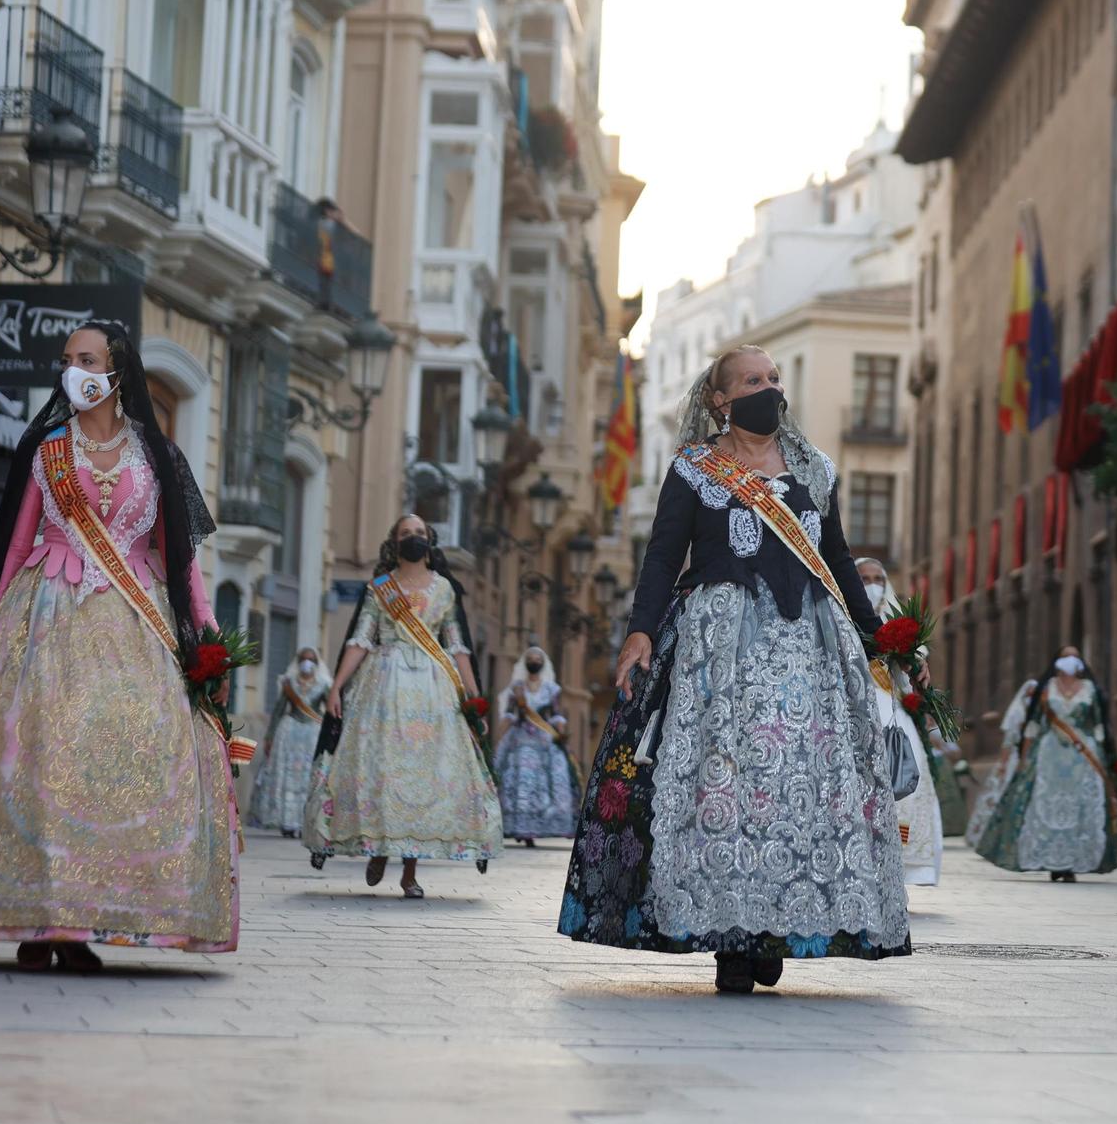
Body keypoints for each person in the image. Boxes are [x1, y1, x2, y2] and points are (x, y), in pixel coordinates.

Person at [558, 345, 909, 993]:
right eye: (753, 380)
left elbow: (835, 557)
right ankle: (732, 933)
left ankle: (773, 924)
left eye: (775, 378)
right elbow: (663, 556)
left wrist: (882, 635)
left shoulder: (814, 468)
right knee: (729, 782)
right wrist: (639, 630)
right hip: (720, 653)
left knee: (793, 787)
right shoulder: (695, 469)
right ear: (719, 400)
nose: (769, 388)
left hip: (809, 652)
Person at [0, 320, 236, 970]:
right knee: (38, 758)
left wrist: (207, 632)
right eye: (66, 359)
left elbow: (180, 556)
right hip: (45, 615)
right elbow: (17, 542)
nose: (71, 370)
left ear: (116, 371)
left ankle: (90, 916)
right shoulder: (48, 449)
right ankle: (40, 919)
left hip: (135, 624)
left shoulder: (156, 455)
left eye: (85, 358)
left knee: (114, 758)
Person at [303, 515, 502, 898]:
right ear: (394, 543)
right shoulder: (381, 588)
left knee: (424, 773)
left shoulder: (444, 589)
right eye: (406, 534)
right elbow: (361, 639)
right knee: (382, 768)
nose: (414, 539)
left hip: (434, 691)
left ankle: (410, 870)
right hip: (383, 686)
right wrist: (337, 687)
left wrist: (474, 700)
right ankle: (378, 848)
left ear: (430, 541)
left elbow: (457, 646)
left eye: (420, 534)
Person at [966, 645, 1117, 880]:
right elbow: (1032, 725)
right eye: (1065, 658)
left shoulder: (1090, 689)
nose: (1070, 662)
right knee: (1046, 805)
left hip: (1083, 757)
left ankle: (1072, 863)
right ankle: (1052, 861)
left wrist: (1105, 756)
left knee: (1080, 807)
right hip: (1048, 755)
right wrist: (1024, 757)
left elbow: (1100, 725)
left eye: (1074, 657)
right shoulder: (1046, 688)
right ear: (1057, 662)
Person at [857, 557, 943, 886]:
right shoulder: (840, 617)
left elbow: (912, 676)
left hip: (893, 715)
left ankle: (903, 864)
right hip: (855, 708)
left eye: (878, 577)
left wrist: (917, 670)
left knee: (908, 780)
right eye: (863, 578)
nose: (872, 583)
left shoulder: (901, 627)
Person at [494, 645, 579, 845]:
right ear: (525, 662)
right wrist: (499, 738)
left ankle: (541, 826)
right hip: (520, 739)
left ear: (542, 663)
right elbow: (509, 714)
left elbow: (556, 714)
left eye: (537, 658)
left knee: (551, 777)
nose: (534, 661)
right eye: (530, 658)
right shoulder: (517, 689)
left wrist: (561, 735)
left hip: (544, 739)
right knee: (519, 778)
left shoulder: (551, 690)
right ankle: (519, 827)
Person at [247, 647, 331, 837]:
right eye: (303, 659)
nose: (306, 663)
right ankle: (287, 821)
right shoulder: (289, 683)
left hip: (312, 735)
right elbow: (278, 710)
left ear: (317, 664)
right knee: (287, 778)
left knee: (308, 778)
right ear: (298, 661)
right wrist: (269, 736)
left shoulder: (323, 684)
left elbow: (330, 710)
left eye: (310, 659)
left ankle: (305, 822)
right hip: (289, 733)